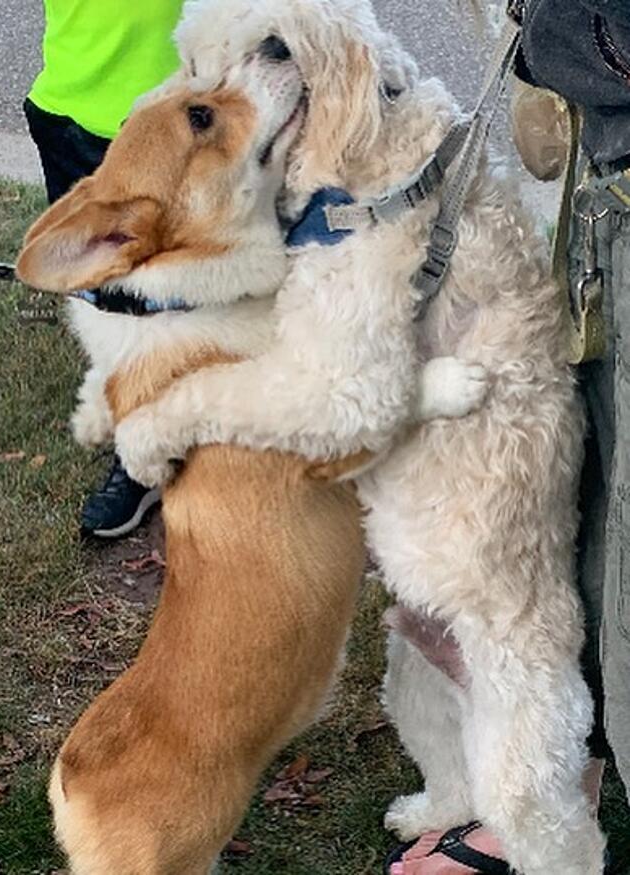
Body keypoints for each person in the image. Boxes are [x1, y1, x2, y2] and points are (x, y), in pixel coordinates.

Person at [386, 1, 630, 871]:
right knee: (597, 532)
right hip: (607, 166)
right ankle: (548, 787)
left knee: (576, 583)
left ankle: (545, 823)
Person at [24, 0, 183, 538]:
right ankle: (137, 452)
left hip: (167, 123)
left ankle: (156, 448)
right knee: (106, 304)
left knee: (170, 298)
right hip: (65, 104)